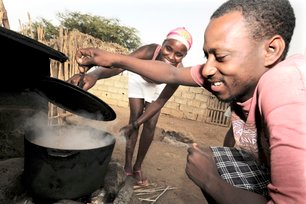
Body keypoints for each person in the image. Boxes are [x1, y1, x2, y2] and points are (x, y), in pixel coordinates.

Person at [73, 0, 306, 202]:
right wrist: (108, 61)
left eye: (221, 56)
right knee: (209, 157)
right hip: (268, 168)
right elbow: (172, 74)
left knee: (206, 169)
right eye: (207, 56)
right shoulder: (238, 77)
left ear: (271, 49)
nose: (208, 68)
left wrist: (210, 181)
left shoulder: (285, 88)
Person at [68, 27, 193, 186]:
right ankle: (127, 164)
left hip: (159, 87)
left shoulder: (178, 73)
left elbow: (160, 102)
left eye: (178, 54)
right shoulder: (149, 51)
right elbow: (120, 65)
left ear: (184, 56)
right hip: (139, 79)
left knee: (150, 124)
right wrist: (94, 75)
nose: (171, 56)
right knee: (135, 115)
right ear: (162, 45)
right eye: (168, 48)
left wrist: (134, 125)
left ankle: (138, 166)